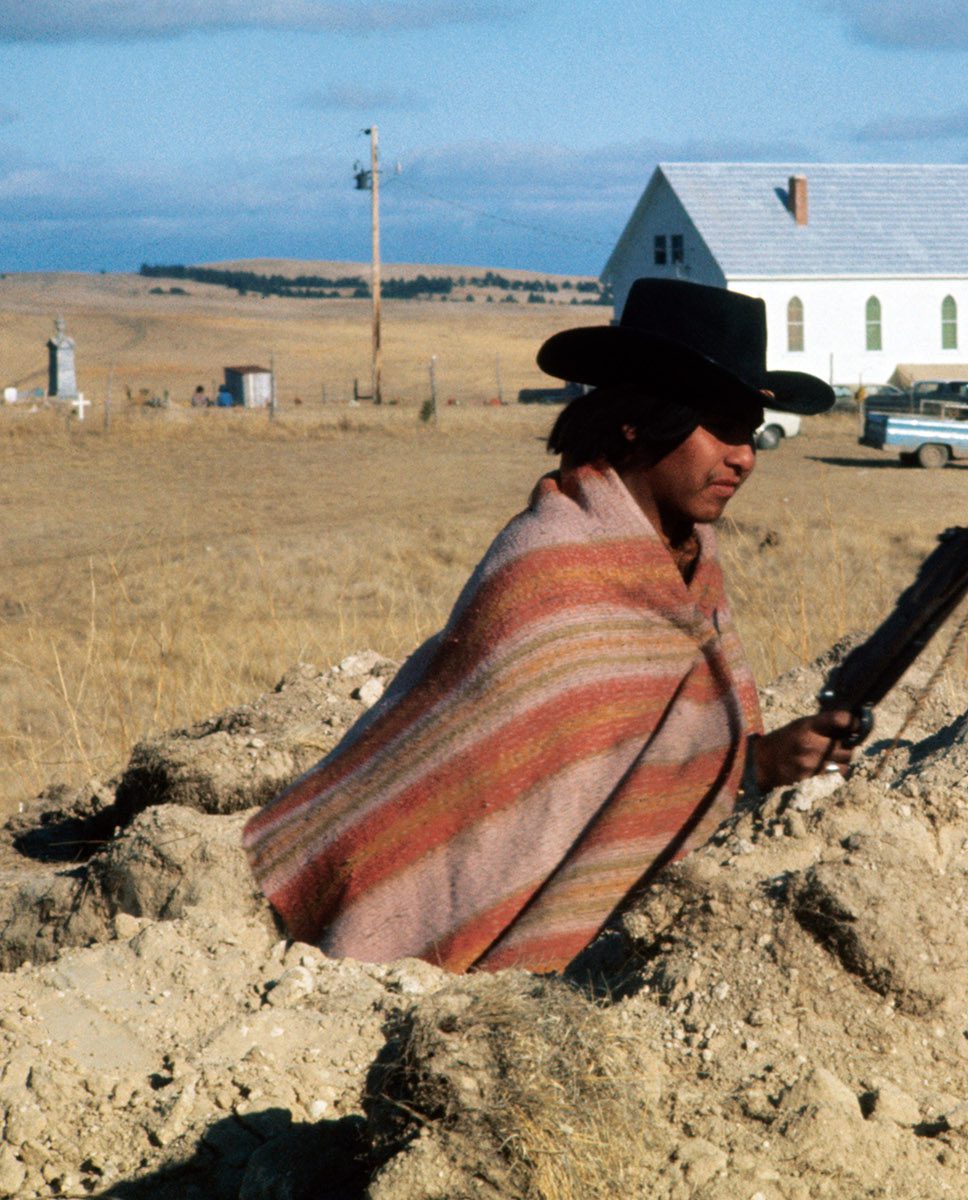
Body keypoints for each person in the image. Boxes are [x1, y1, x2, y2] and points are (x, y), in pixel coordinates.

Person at [242, 279, 850, 973]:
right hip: (430, 962)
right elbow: (492, 787)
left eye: (751, 433)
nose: (743, 456)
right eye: (720, 426)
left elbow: (659, 761)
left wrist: (761, 764)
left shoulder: (692, 570)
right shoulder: (548, 565)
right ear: (639, 420)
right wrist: (753, 767)